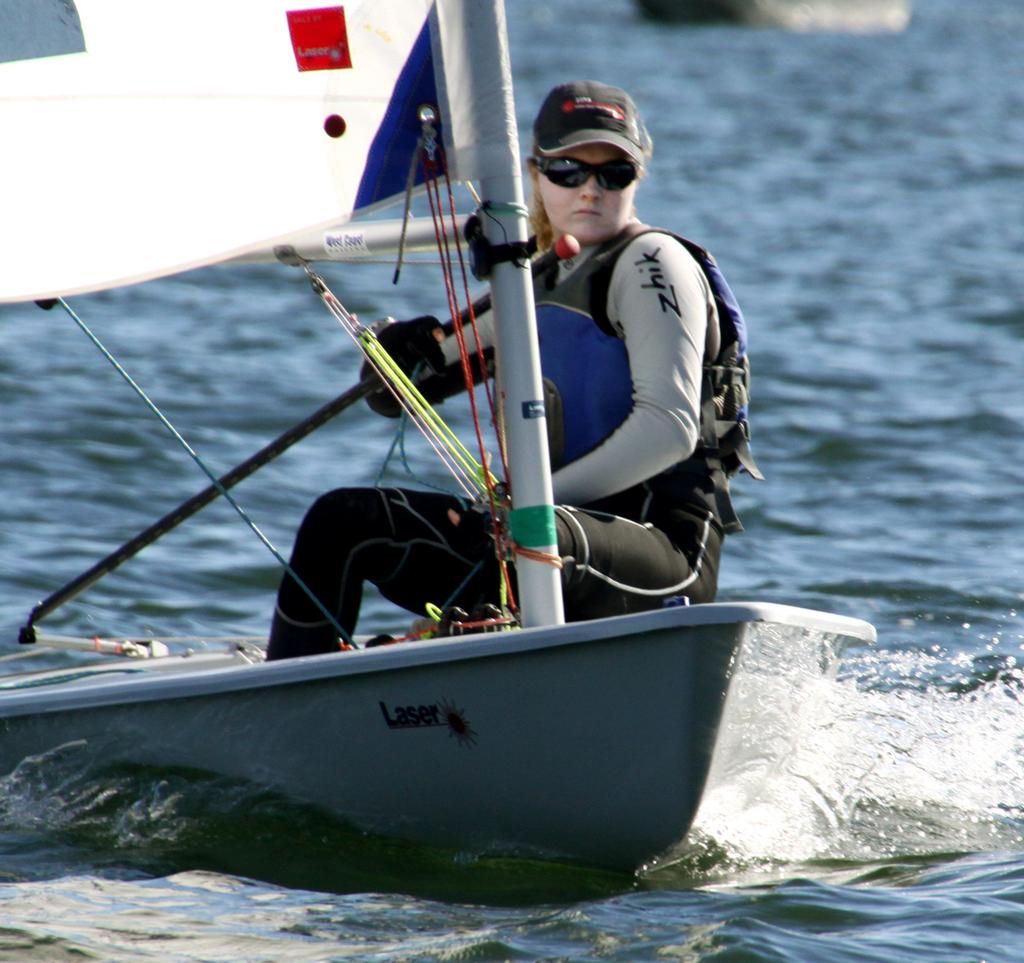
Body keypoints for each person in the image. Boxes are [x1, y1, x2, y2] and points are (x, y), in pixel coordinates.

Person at [266, 80, 755, 660]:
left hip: (663, 553)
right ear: (537, 173)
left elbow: (668, 429)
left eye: (613, 173)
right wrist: (398, 356)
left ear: (638, 177)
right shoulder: (533, 280)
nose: (591, 190)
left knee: (534, 539)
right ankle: (290, 699)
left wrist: (529, 506)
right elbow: (399, 390)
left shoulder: (652, 262)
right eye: (569, 170)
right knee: (341, 524)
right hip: (537, 528)